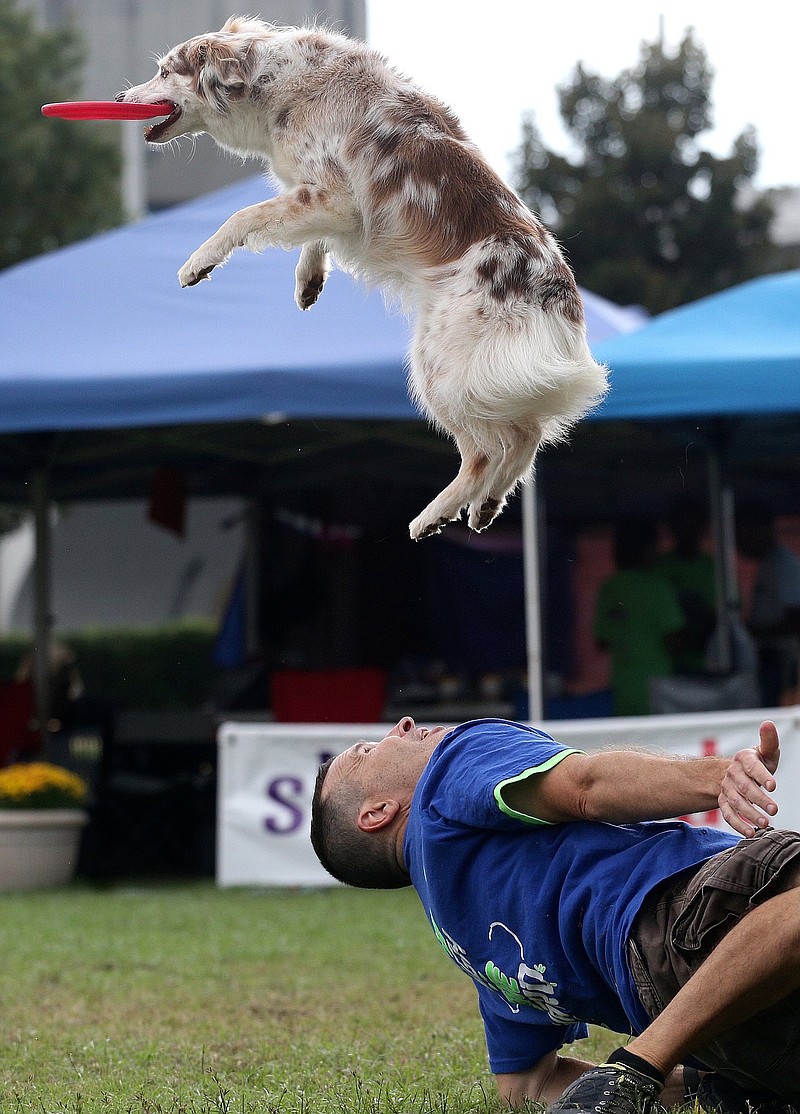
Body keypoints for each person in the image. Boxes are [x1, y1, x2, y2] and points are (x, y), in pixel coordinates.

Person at [311, 715, 800, 1114]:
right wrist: (720, 778)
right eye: (368, 752)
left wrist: (696, 1085)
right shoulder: (448, 768)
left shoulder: (461, 934)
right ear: (376, 812)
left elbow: (525, 1085)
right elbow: (585, 786)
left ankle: (655, 1064)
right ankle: (637, 1067)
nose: (402, 725)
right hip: (690, 910)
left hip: (723, 1032)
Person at [593, 517, 686, 715]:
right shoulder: (657, 586)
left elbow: (601, 642)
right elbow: (674, 640)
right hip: (657, 684)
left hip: (622, 684)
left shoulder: (609, 588)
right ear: (647, 549)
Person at [736, 502, 800, 707]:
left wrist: (752, 633)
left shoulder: (784, 564)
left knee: (773, 715)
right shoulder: (769, 562)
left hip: (781, 660)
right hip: (768, 657)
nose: (740, 540)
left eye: (745, 532)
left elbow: (794, 619)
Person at [655, 497, 717, 673]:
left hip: (706, 664)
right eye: (682, 525)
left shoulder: (714, 569)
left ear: (703, 528)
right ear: (672, 528)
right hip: (666, 666)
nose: (687, 531)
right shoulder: (658, 567)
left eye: (693, 524)